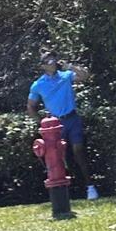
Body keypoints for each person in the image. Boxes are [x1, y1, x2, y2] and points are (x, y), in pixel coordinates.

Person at [26, 51, 99, 200]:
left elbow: (85, 76)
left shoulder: (65, 76)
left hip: (72, 118)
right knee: (59, 157)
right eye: (48, 61)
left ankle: (90, 187)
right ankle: (68, 190)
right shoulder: (38, 85)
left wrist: (70, 66)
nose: (52, 62)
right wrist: (42, 123)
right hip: (55, 124)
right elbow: (31, 107)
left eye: (53, 59)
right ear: (42, 66)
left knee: (78, 151)